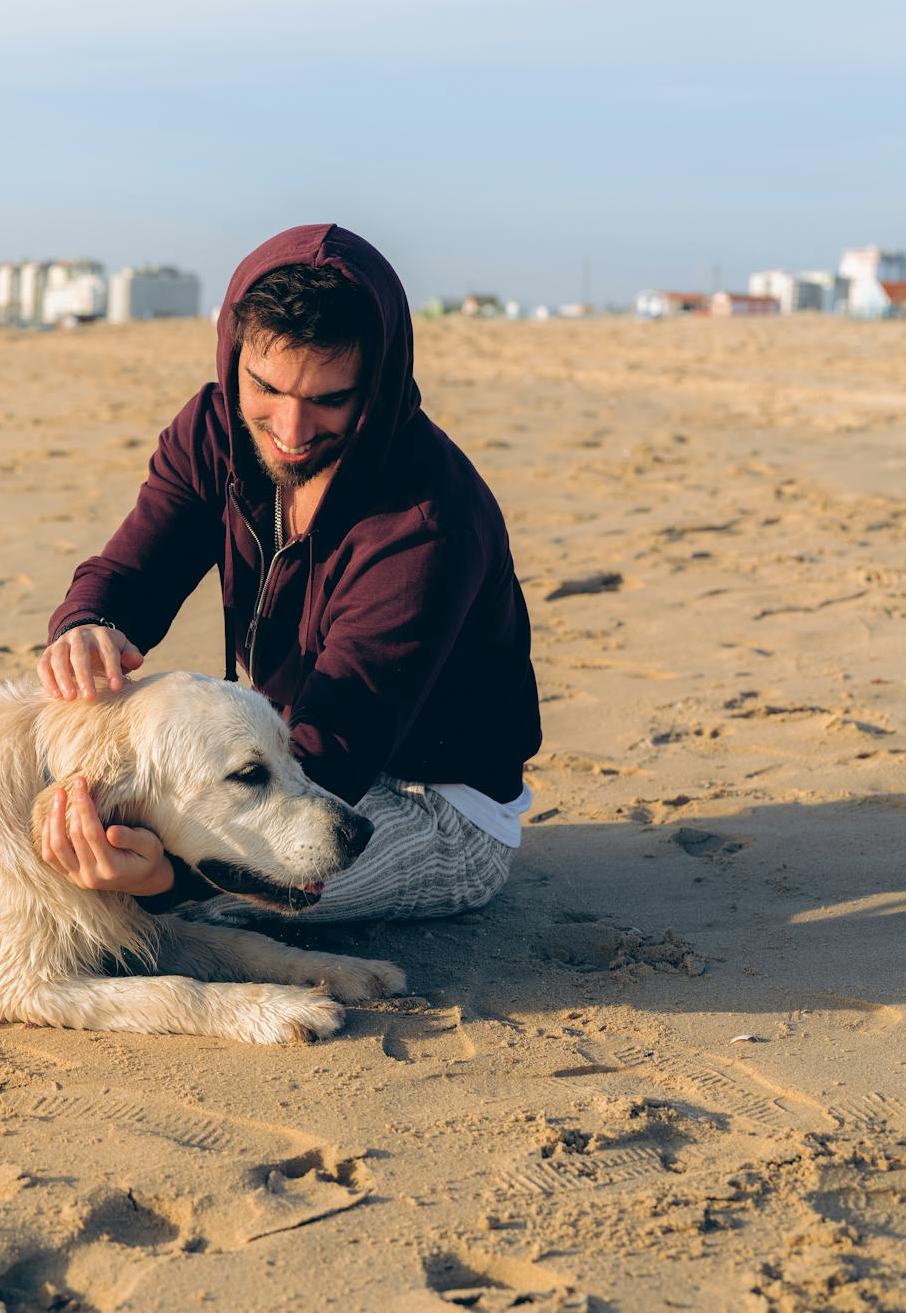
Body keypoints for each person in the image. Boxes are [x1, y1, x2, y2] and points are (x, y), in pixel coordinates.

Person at [35, 225, 541, 921]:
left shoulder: (428, 522)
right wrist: (91, 625)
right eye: (266, 387)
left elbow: (341, 741)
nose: (292, 429)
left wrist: (167, 883)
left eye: (331, 399)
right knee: (70, 831)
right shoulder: (211, 432)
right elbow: (132, 575)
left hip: (436, 806)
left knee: (137, 902)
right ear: (232, 354)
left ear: (379, 381)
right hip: (283, 753)